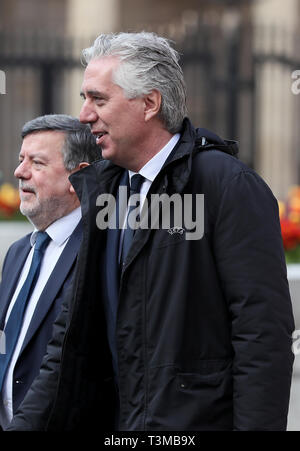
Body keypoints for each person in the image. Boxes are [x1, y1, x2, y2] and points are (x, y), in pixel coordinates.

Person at [8, 32, 295, 431]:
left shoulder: (225, 185)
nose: (84, 114)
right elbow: (67, 342)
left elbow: (262, 336)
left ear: (150, 104)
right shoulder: (104, 189)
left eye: (98, 99)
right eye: (84, 98)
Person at [0, 114, 100, 430]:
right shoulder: (18, 253)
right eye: (21, 159)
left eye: (37, 163)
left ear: (79, 178)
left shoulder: (97, 254)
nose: (19, 171)